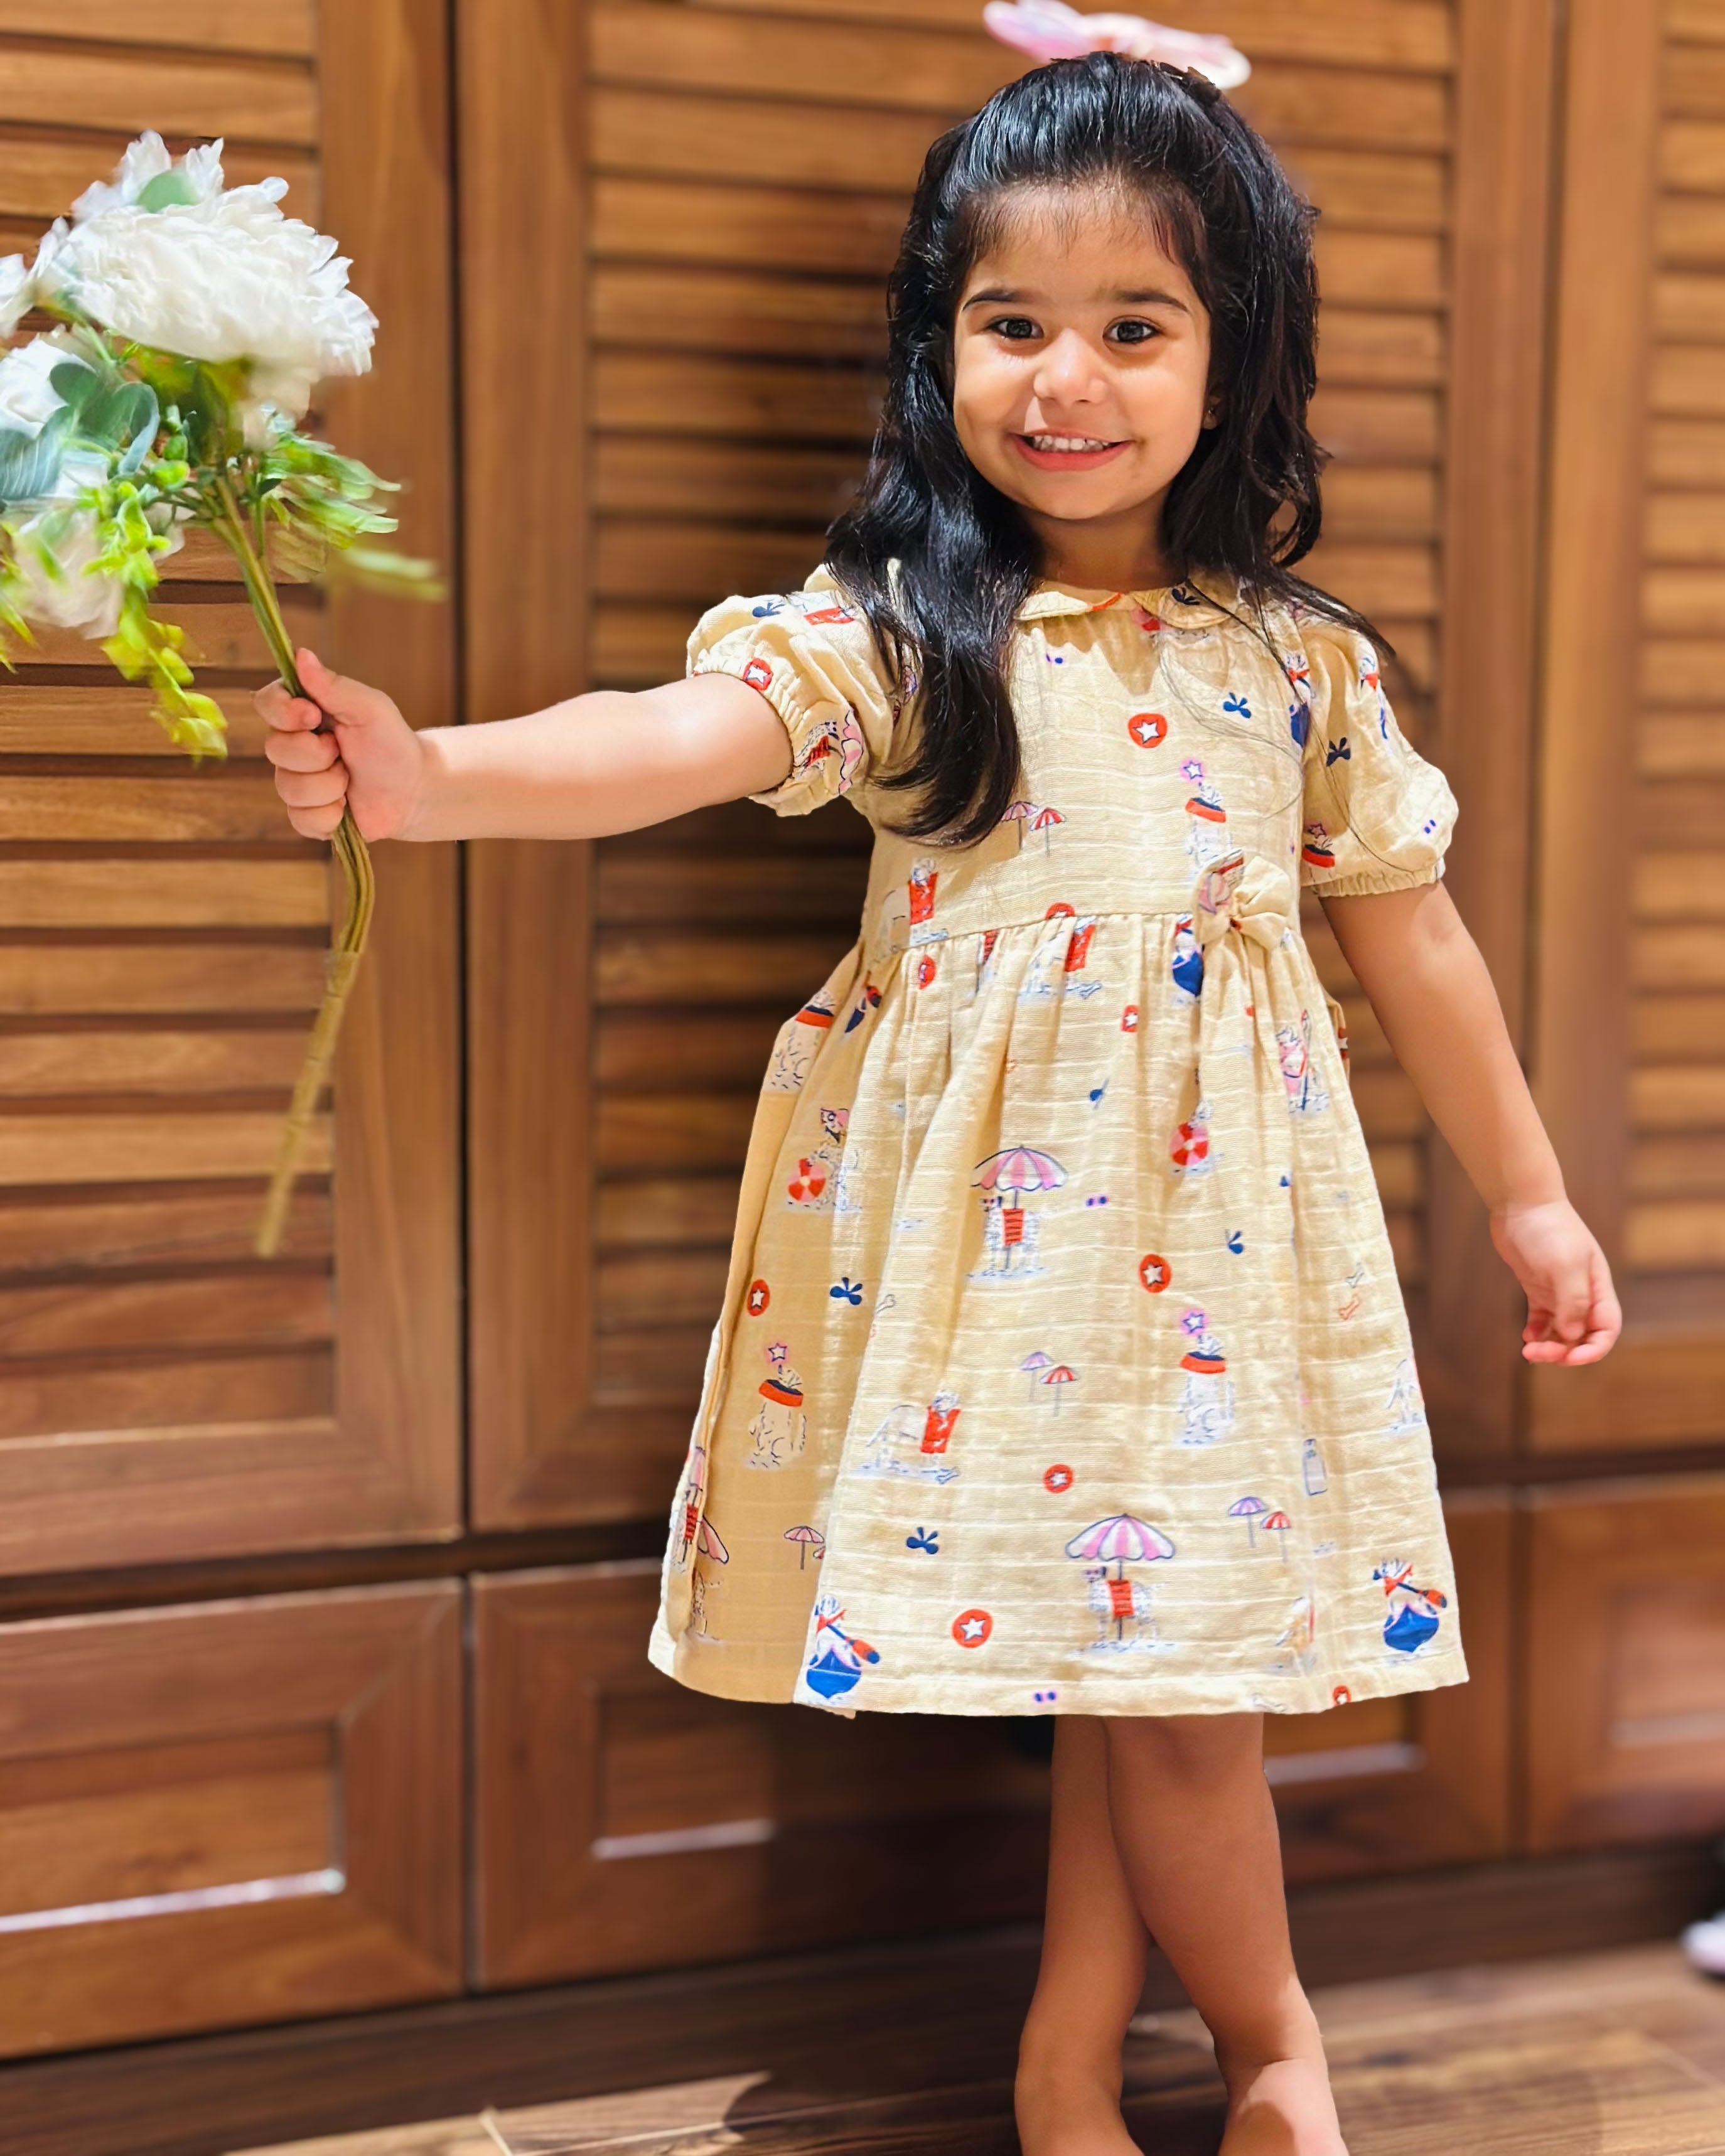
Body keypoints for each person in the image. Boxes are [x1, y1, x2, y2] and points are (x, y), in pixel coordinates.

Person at [257, 53, 1621, 2156]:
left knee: (1152, 1679)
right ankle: (1264, 2051)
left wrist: (1532, 1199)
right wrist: (429, 777)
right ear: (940, 348)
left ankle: (1105, 2058)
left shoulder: (1298, 666)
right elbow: (675, 730)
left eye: (1133, 325)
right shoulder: (912, 637)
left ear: (1231, 352)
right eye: (1011, 323)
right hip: (1007, 1265)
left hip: (1215, 1282)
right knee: (1153, 1684)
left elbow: (1416, 940)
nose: (1064, 377)